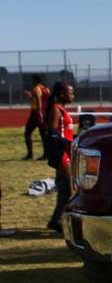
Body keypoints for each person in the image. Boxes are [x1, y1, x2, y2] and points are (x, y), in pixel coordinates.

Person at [45, 81, 75, 233]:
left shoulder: (61, 109)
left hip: (66, 152)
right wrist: (68, 142)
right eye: (70, 93)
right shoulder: (56, 110)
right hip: (62, 154)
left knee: (65, 190)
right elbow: (52, 133)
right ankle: (59, 221)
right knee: (69, 189)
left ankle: (55, 221)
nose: (73, 96)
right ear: (62, 94)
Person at [23, 75, 49, 160]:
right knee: (43, 134)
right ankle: (46, 155)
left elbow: (38, 100)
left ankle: (30, 155)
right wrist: (30, 96)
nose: (31, 82)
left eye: (32, 80)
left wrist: (39, 113)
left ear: (35, 80)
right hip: (45, 112)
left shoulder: (36, 89)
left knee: (27, 133)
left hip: (36, 113)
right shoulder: (45, 89)